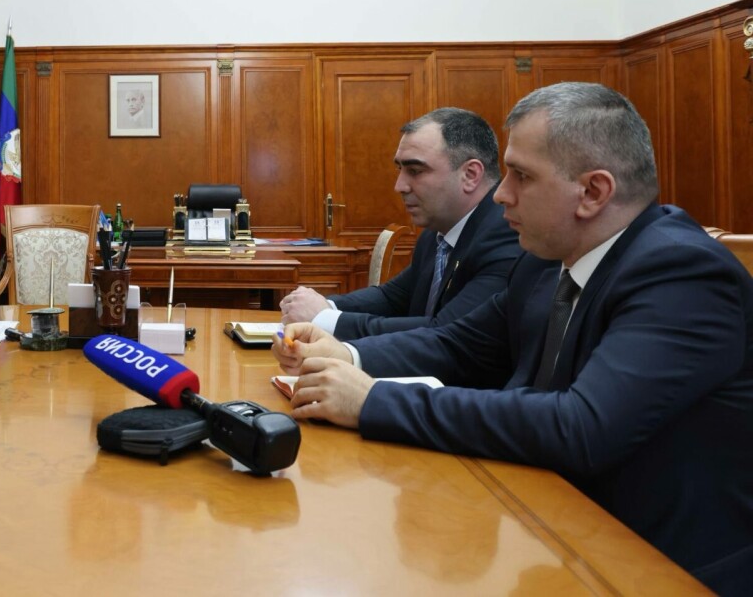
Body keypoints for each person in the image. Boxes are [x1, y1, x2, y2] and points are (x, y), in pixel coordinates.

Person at [273, 83, 753, 592]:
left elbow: (580, 427)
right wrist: (344, 355)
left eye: (521, 176)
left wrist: (373, 400)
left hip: (656, 563)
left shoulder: (680, 273)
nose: (501, 193)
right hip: (547, 518)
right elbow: (458, 344)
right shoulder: (546, 262)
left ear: (593, 192)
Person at [281, 108, 521, 338]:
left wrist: (324, 319)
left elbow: (447, 332)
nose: (400, 186)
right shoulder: (437, 233)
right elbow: (392, 297)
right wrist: (325, 305)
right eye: (400, 169)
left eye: (415, 171)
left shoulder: (506, 234)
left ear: (470, 175)